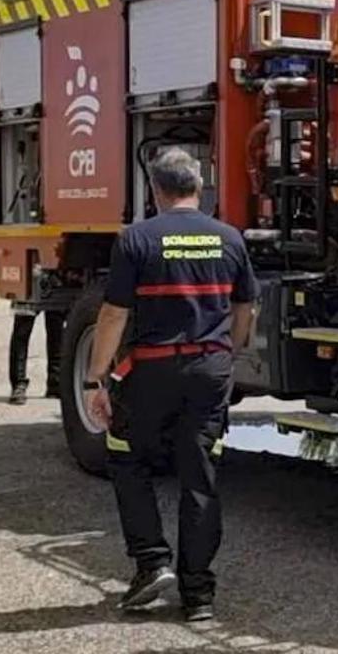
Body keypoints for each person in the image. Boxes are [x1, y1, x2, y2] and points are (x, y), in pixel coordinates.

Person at [85, 147, 257, 622]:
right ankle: (198, 595)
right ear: (198, 189)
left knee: (127, 458)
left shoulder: (135, 239)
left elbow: (114, 313)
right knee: (200, 475)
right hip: (210, 370)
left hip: (151, 371)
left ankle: (151, 563)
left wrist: (95, 379)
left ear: (156, 191)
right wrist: (230, 354)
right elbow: (246, 309)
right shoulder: (229, 238)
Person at [7, 309, 64, 405]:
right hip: (29, 295)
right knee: (23, 326)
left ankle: (55, 382)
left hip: (54, 294)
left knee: (56, 327)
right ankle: (18, 384)